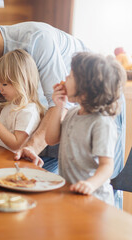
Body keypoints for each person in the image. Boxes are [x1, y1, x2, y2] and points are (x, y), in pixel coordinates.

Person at [0, 0, 126, 208]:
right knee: (44, 186)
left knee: (103, 184)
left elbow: (57, 103)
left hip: (96, 104)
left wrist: (30, 147)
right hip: (57, 113)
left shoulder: (36, 39)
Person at [45, 52, 126, 205]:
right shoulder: (73, 113)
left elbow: (107, 166)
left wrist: (90, 184)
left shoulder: (102, 123)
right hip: (72, 193)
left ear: (86, 87)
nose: (65, 78)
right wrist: (58, 106)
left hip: (95, 198)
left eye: (70, 76)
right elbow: (51, 139)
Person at [0, 49, 43, 164]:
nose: (0, 88)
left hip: (11, 161)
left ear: (21, 82)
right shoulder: (12, 105)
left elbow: (16, 144)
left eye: (5, 84)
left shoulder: (28, 112)